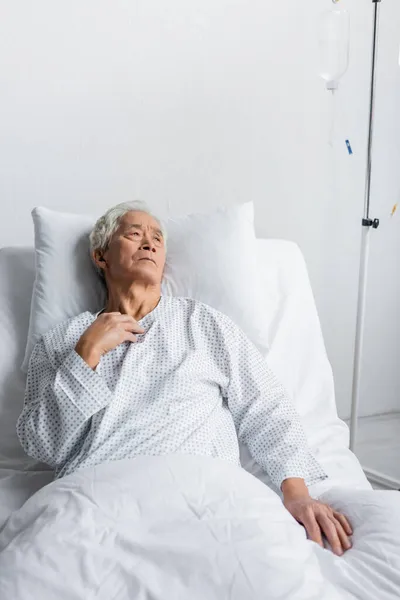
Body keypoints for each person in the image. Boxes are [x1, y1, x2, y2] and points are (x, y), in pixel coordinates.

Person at [17, 201, 353, 556]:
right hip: (94, 502)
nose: (149, 244)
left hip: (202, 499)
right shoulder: (62, 341)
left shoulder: (206, 325)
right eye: (134, 235)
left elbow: (266, 409)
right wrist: (85, 355)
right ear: (101, 256)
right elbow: (44, 447)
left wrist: (298, 495)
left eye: (157, 239)